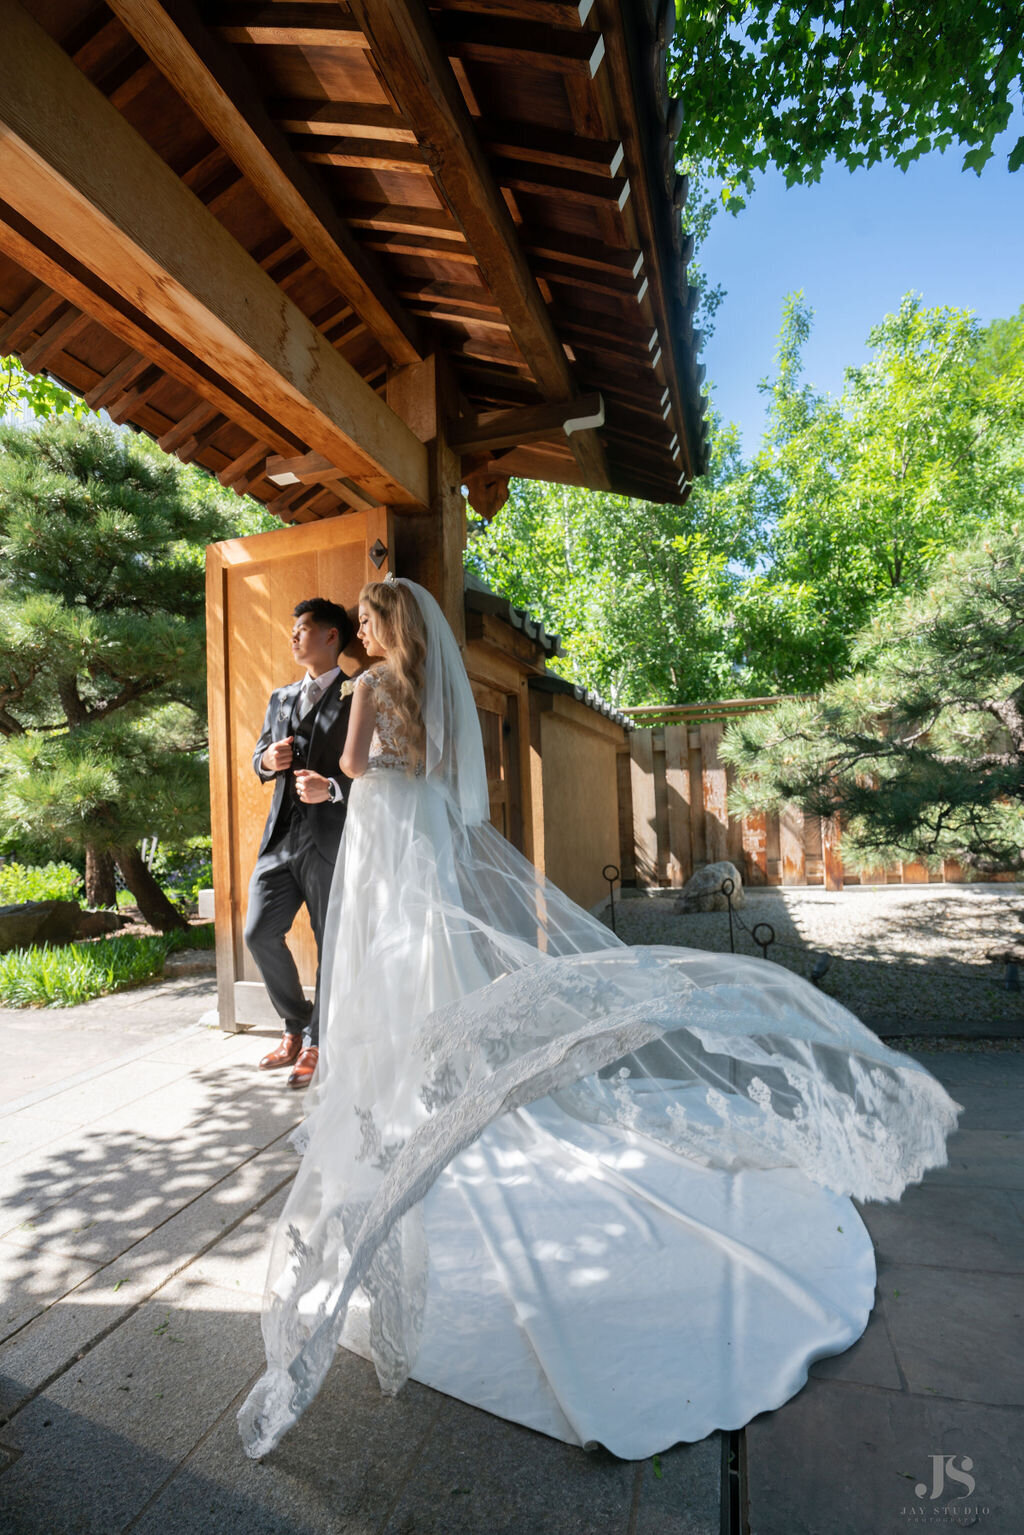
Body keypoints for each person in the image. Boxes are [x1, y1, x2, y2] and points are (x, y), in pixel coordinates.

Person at [239, 577, 960, 1460]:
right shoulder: (430, 682)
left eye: (363, 618)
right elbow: (441, 770)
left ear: (381, 628)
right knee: (437, 954)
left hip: (382, 832)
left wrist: (338, 771)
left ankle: (400, 1096)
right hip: (419, 829)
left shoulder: (367, 686)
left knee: (386, 958)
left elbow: (352, 768)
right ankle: (440, 1079)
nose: (355, 629)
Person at [245, 597, 356, 1089]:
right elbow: (256, 759)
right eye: (293, 629)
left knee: (331, 942)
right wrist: (267, 760)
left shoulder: (358, 694)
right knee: (257, 932)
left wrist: (332, 788)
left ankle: (318, 1042)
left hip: (330, 840)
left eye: (304, 628)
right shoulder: (280, 698)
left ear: (331, 636)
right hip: (279, 841)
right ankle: (296, 1022)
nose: (293, 636)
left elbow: (382, 773)